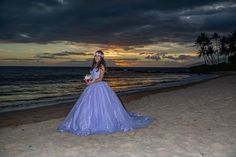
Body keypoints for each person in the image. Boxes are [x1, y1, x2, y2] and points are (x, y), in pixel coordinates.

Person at [56, 50, 155, 136]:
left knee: (102, 105)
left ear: (101, 58)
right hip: (91, 87)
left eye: (98, 56)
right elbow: (92, 76)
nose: (96, 57)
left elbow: (100, 78)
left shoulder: (102, 66)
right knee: (88, 106)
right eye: (95, 56)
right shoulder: (94, 65)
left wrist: (91, 82)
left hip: (99, 87)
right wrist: (88, 80)